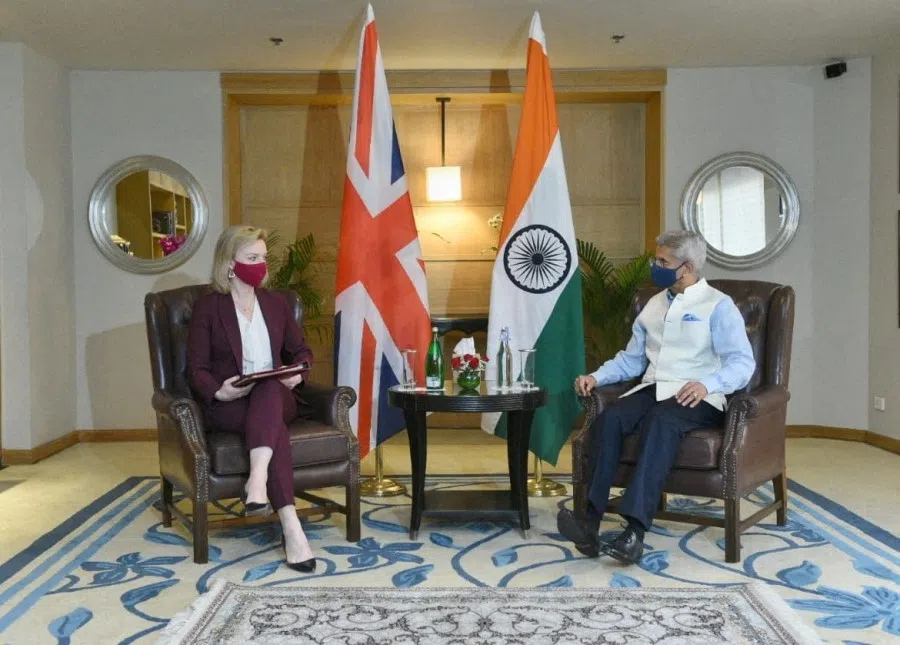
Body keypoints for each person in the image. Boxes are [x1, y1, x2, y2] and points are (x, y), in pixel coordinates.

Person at [558, 230, 755, 565]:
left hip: (699, 396)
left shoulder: (719, 306)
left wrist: (708, 384)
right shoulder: (654, 304)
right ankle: (589, 524)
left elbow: (742, 362)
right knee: (610, 419)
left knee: (661, 421)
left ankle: (634, 532)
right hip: (654, 387)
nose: (655, 266)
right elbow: (632, 359)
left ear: (686, 268)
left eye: (662, 261)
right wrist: (596, 377)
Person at [187, 225, 316, 572]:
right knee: (275, 430)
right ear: (230, 263)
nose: (261, 265)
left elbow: (302, 352)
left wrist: (297, 373)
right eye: (252, 257)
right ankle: (292, 528)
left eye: (263, 258)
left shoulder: (276, 304)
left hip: (275, 397)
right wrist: (219, 389)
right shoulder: (208, 308)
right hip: (231, 403)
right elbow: (196, 369)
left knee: (270, 386)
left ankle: (256, 480)